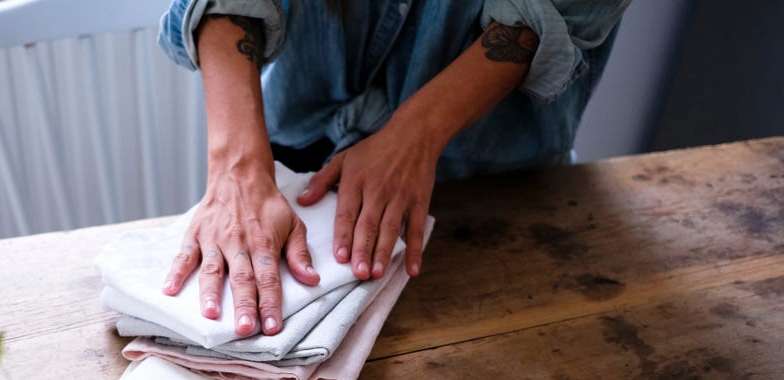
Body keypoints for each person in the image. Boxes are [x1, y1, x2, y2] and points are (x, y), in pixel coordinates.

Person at [157, 0, 630, 337]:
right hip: (300, 139)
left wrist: (417, 134)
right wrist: (237, 168)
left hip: (485, 173)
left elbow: (558, 10)